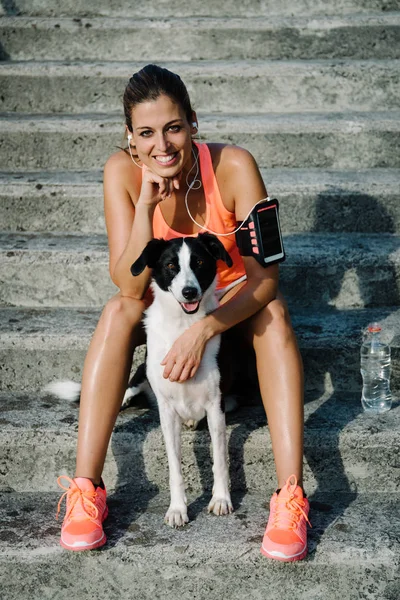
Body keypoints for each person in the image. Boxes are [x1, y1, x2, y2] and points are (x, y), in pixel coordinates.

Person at [56, 64, 310, 561]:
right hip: (165, 314)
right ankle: (86, 491)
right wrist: (147, 204)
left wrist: (204, 330)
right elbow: (130, 284)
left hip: (230, 315)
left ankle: (290, 496)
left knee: (276, 314)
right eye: (146, 133)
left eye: (173, 128)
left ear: (193, 122)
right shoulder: (121, 173)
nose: (162, 145)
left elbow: (265, 281)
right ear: (130, 137)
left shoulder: (235, 166)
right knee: (116, 311)